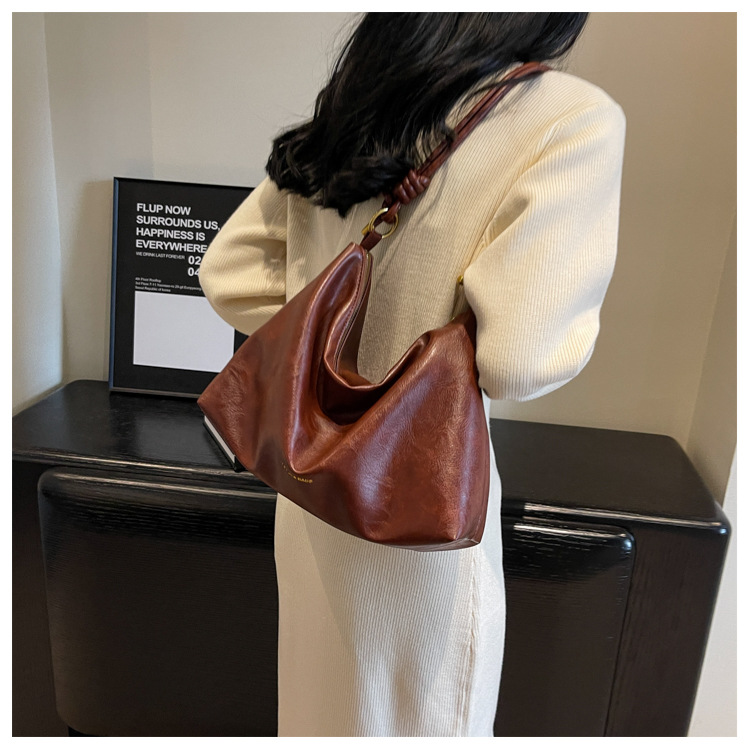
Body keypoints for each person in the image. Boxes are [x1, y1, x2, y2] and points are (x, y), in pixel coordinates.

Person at [198, 12, 625, 737]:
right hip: (422, 524)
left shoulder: (362, 100)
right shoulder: (570, 118)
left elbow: (229, 272)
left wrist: (330, 337)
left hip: (310, 501)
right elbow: (520, 359)